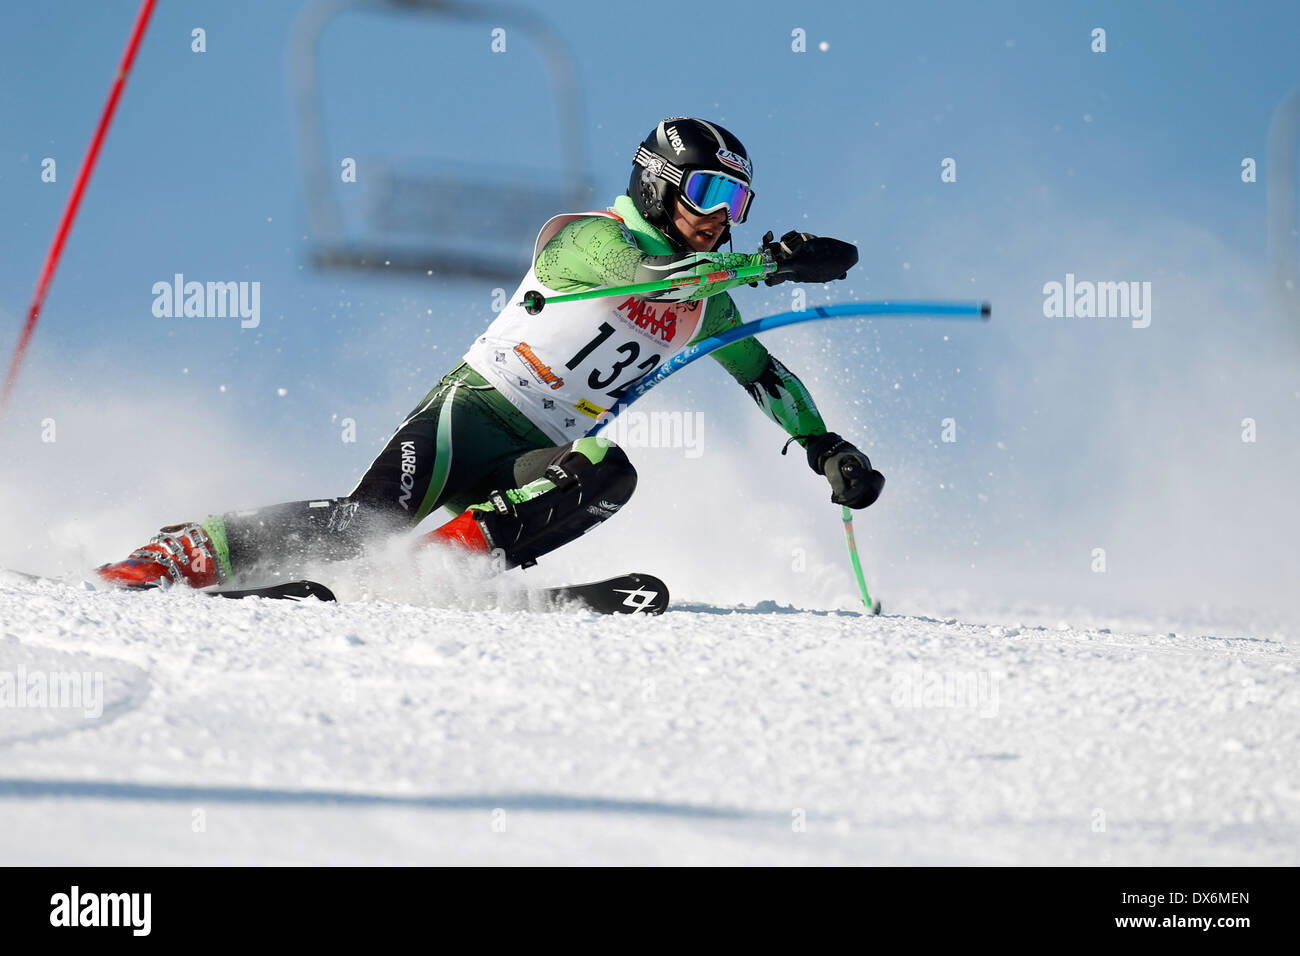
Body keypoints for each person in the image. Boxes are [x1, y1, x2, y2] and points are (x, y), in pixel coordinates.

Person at [96, 117, 884, 589]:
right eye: (708, 195)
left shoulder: (708, 299)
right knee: (362, 523)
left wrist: (825, 447)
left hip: (534, 454)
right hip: (467, 419)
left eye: (736, 204)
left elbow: (761, 370)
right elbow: (650, 275)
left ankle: (435, 574)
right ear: (658, 185)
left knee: (608, 473)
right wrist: (774, 263)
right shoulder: (591, 239)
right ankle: (187, 549)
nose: (720, 218)